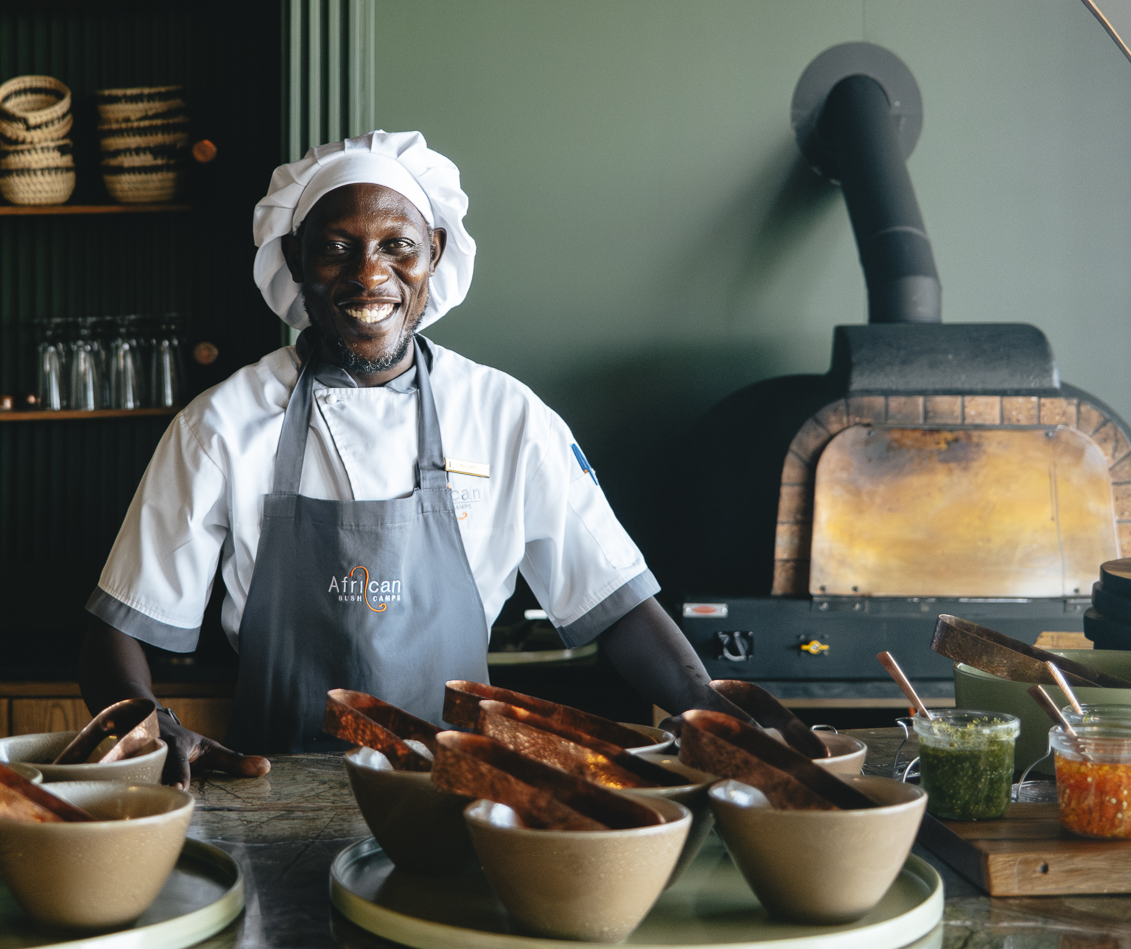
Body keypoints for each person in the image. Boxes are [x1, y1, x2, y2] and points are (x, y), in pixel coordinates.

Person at [80, 131, 729, 787]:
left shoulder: (505, 415)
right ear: (295, 258)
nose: (369, 274)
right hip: (272, 793)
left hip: (462, 795)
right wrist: (146, 722)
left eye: (398, 246)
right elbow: (118, 627)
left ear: (435, 254)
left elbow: (616, 603)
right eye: (337, 248)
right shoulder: (220, 425)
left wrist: (720, 723)